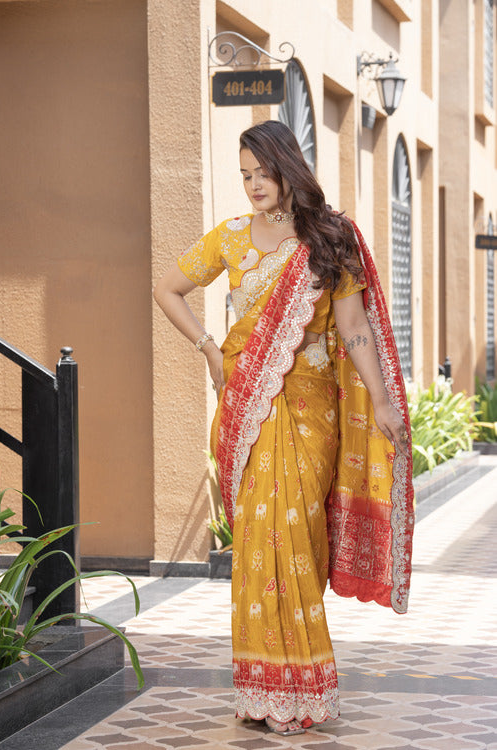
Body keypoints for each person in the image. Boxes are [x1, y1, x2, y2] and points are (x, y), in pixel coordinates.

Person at [153, 120, 414, 736]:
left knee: (297, 535)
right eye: (243, 175)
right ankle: (262, 686)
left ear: (286, 167)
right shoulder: (233, 238)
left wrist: (380, 399)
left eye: (260, 173)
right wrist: (210, 350)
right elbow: (168, 289)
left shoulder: (329, 237)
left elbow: (353, 329)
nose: (251, 186)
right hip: (249, 405)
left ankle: (302, 686)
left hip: (311, 409)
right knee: (257, 541)